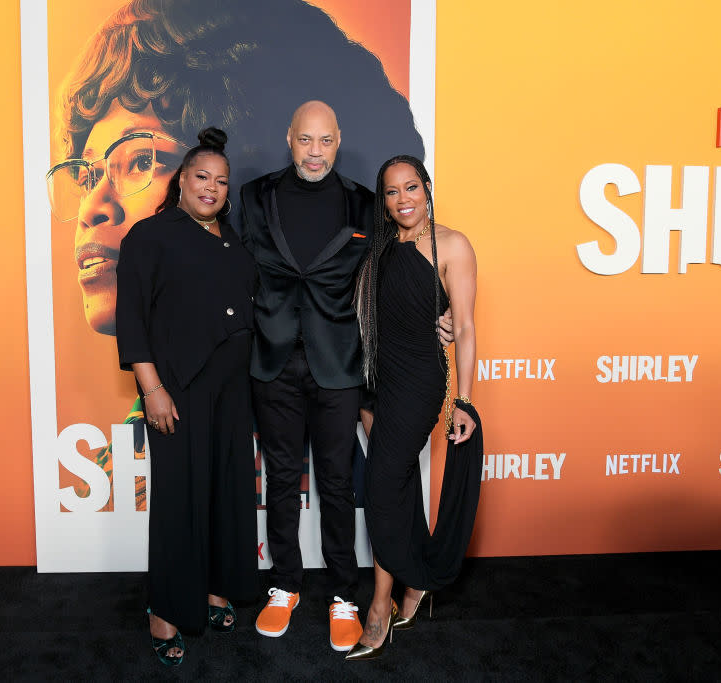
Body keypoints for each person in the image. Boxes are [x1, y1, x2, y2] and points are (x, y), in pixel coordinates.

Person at [47, 0, 426, 505]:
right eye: (87, 171)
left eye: (141, 159)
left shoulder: (335, 397)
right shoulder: (130, 459)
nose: (95, 205)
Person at [240, 103, 452, 651]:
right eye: (305, 140)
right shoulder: (254, 195)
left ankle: (343, 596)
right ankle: (283, 585)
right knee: (282, 479)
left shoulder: (367, 204)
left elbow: (399, 266)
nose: (315, 151)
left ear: (338, 142)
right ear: (289, 139)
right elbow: (239, 272)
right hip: (273, 362)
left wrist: (441, 309)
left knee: (337, 484)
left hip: (339, 366)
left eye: (326, 141)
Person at [115, 128, 259, 666]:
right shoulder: (149, 237)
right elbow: (132, 320)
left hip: (233, 390)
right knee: (178, 499)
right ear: (182, 180)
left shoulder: (233, 242)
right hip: (177, 390)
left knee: (225, 491)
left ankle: (215, 590)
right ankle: (165, 610)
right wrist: (152, 388)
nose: (212, 188)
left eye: (222, 182)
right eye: (202, 177)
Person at [345, 155, 483, 660]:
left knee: (382, 487)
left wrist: (464, 399)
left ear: (426, 188)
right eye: (391, 192)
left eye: (411, 188)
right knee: (398, 485)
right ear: (383, 200)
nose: (403, 199)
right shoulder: (381, 246)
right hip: (376, 384)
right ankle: (416, 582)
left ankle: (379, 605)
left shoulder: (451, 244)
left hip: (420, 383)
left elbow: (464, 327)